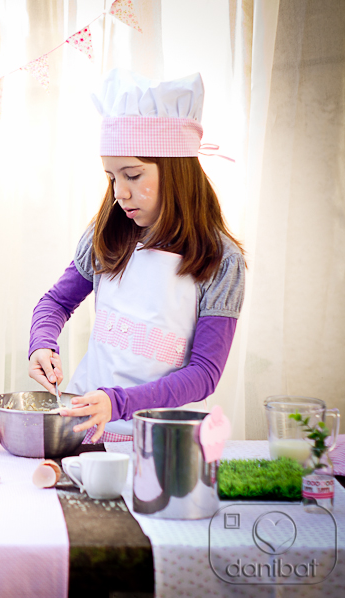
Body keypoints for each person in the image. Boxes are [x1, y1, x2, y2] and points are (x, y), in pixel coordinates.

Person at [28, 69, 246, 443]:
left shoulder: (221, 259)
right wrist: (42, 342)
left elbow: (204, 374)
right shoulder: (106, 234)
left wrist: (119, 403)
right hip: (85, 429)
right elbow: (56, 303)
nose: (119, 193)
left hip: (161, 440)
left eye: (132, 175)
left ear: (177, 171)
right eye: (112, 177)